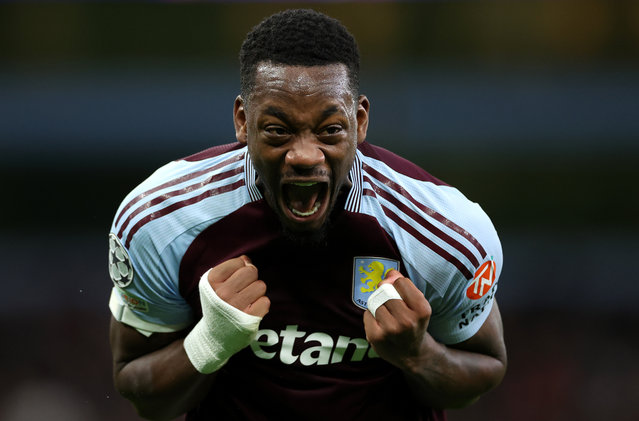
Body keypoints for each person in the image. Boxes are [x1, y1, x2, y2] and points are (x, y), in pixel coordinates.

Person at [107, 8, 507, 421]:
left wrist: (418, 354)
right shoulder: (161, 219)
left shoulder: (448, 234)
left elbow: (485, 370)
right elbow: (141, 392)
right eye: (278, 130)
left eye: (330, 129)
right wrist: (208, 342)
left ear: (360, 121)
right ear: (243, 121)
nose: (303, 155)